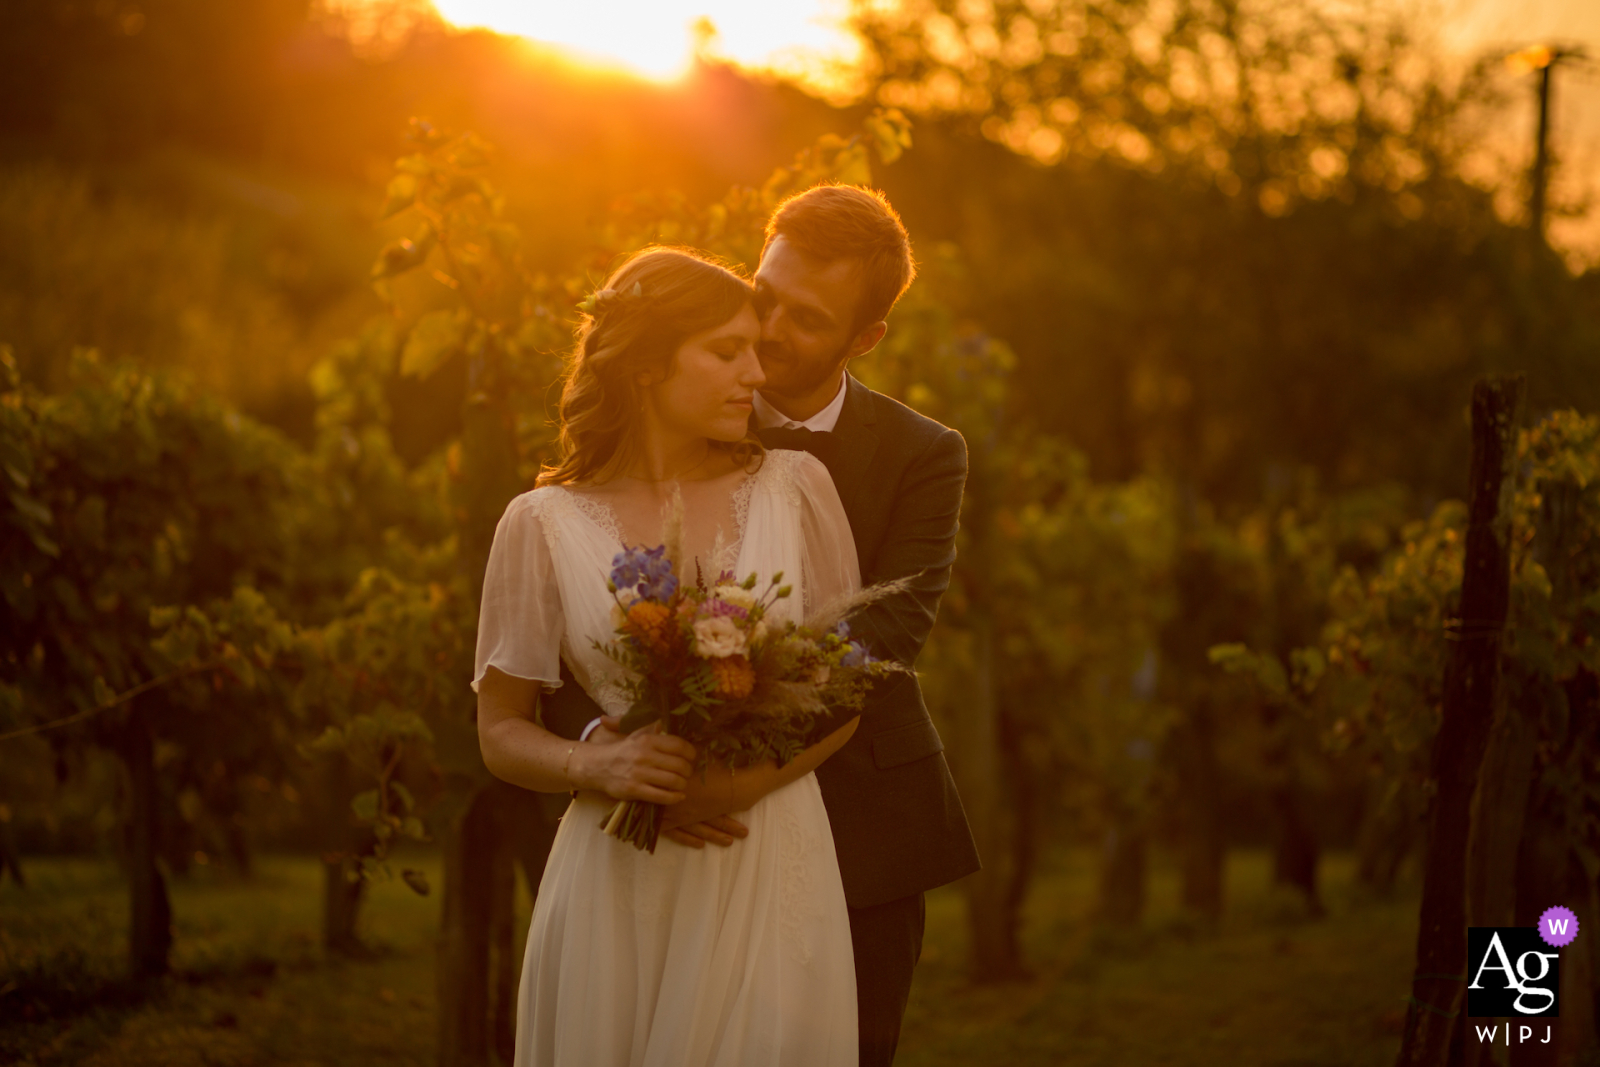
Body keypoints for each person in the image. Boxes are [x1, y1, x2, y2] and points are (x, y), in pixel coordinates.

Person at [540, 184, 980, 1067]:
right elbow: (567, 623)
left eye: (806, 320)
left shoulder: (923, 455)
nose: (770, 330)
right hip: (649, 824)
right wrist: (619, 751)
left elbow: (877, 642)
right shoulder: (652, 426)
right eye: (764, 293)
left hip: (860, 833)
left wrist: (731, 777)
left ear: (866, 339)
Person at [476, 245, 865, 1065]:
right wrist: (600, 768)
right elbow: (499, 729)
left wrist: (722, 787)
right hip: (615, 870)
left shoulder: (798, 488)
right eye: (727, 351)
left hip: (768, 866)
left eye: (754, 351)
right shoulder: (539, 521)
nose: (755, 374)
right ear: (648, 365)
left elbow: (844, 696)